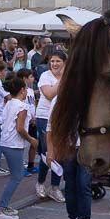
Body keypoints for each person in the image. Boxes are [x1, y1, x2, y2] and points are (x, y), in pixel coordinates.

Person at [0, 77, 34, 219]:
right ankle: (0, 208)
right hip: (14, 144)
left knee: (15, 176)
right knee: (16, 176)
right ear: (22, 90)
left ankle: (3, 206)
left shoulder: (10, 103)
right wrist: (31, 139)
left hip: (6, 142)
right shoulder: (22, 106)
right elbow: (20, 128)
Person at [34, 51, 66, 200]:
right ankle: (40, 182)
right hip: (44, 116)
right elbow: (49, 94)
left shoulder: (70, 76)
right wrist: (64, 78)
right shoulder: (45, 76)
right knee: (48, 151)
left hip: (62, 117)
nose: (54, 64)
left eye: (58, 61)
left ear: (64, 62)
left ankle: (54, 186)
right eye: (52, 61)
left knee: (59, 152)